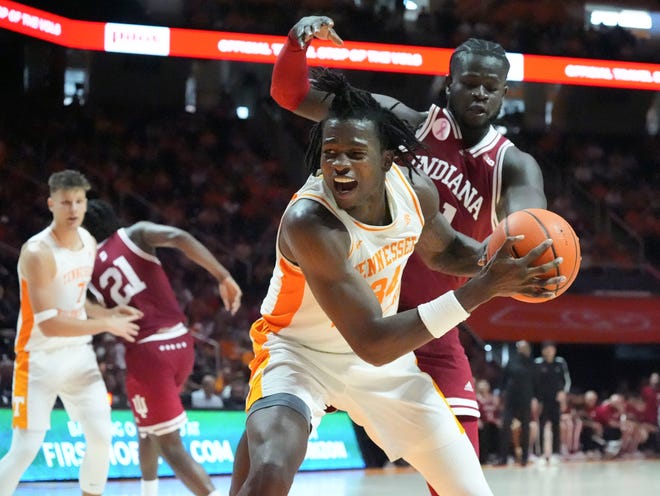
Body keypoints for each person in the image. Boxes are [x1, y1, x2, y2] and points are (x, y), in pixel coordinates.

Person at [229, 69, 563, 496]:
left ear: (387, 159)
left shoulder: (416, 191)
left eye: (355, 153)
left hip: (383, 370)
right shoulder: (310, 222)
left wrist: (499, 262)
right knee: (273, 466)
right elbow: (372, 339)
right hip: (298, 357)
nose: (339, 164)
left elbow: (444, 251)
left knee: (472, 492)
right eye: (329, 153)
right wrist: (484, 287)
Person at [82, 198, 242, 496]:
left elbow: (79, 307)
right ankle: (148, 491)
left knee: (170, 444)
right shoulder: (136, 233)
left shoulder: (85, 268)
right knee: (147, 428)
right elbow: (179, 237)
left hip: (148, 354)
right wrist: (223, 275)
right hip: (181, 343)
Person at [0, 170, 141, 496]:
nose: (74, 209)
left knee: (101, 435)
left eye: (79, 201)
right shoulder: (38, 252)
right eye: (66, 202)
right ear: (51, 204)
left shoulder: (87, 241)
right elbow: (49, 323)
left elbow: (77, 300)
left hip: (79, 356)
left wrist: (107, 313)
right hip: (39, 358)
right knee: (25, 448)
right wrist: (107, 325)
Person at [497, 340, 535, 466]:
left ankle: (524, 458)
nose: (521, 350)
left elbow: (536, 382)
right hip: (511, 399)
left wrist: (536, 398)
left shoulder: (532, 363)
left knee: (525, 428)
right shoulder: (511, 362)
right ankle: (503, 458)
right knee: (505, 426)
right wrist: (501, 393)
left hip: (525, 399)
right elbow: (503, 379)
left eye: (524, 347)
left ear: (528, 349)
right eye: (520, 347)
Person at [534, 340, 571, 464]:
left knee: (556, 426)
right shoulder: (538, 364)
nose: (549, 351)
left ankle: (556, 453)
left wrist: (563, 393)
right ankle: (539, 454)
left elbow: (567, 380)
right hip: (542, 401)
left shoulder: (560, 363)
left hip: (556, 401)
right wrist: (536, 399)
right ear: (543, 351)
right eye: (546, 349)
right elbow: (534, 383)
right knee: (541, 427)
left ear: (555, 350)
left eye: (551, 348)